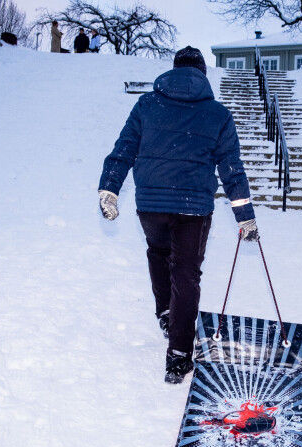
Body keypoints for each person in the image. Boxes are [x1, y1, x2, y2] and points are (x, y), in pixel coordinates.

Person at [97, 46, 259, 385]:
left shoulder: (147, 104)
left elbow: (124, 148)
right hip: (193, 206)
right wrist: (244, 215)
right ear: (202, 74)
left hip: (151, 203)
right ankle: (179, 355)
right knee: (186, 273)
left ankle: (167, 312)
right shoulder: (217, 113)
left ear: (173, 71)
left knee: (158, 252)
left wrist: (110, 187)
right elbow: (232, 168)